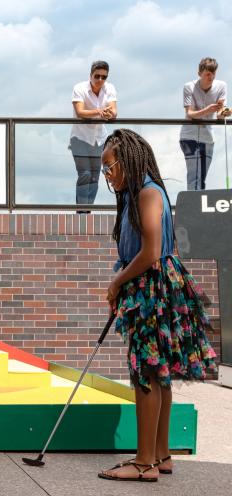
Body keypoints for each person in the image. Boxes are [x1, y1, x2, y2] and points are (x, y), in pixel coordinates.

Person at [97, 129, 217, 483]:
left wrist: (117, 282)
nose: (108, 175)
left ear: (128, 160)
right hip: (152, 287)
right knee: (157, 372)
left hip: (152, 289)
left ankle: (145, 461)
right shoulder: (144, 193)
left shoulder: (149, 193)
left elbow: (150, 253)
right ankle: (161, 454)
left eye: (110, 166)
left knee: (146, 373)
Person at [70, 60, 118, 210]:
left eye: (104, 77)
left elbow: (114, 111)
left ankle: (87, 211)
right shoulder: (79, 88)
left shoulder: (109, 88)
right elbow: (80, 112)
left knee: (95, 176)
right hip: (80, 137)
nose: (100, 80)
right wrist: (99, 111)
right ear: (90, 75)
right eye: (97, 76)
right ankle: (82, 212)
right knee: (84, 174)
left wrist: (110, 113)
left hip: (99, 139)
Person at [179, 57, 231, 191]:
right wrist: (207, 110)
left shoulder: (221, 86)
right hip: (189, 136)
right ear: (200, 73)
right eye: (208, 73)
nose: (211, 76)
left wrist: (226, 112)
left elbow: (220, 114)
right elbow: (190, 113)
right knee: (194, 177)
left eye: (214, 73)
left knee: (201, 179)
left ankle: (199, 209)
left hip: (208, 138)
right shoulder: (189, 87)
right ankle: (193, 209)